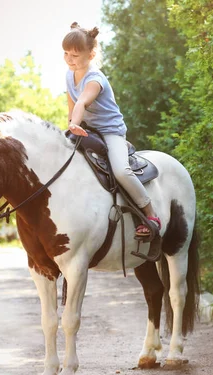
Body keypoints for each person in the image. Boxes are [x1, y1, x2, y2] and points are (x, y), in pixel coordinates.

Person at [63, 22, 160, 237]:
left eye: (75, 55)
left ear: (91, 54)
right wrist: (70, 127)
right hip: (85, 128)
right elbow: (71, 107)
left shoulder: (95, 79)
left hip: (110, 132)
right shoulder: (70, 76)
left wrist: (74, 124)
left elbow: (81, 104)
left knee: (121, 171)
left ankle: (150, 213)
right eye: (66, 53)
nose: (69, 59)